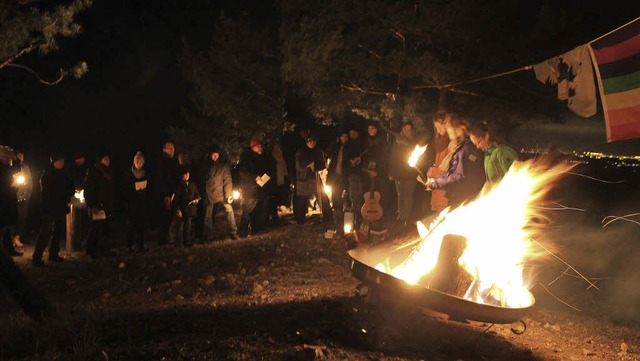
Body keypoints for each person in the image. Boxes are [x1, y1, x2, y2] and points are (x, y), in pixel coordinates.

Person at [425, 113, 486, 209]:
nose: (449, 135)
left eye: (449, 130)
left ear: (458, 129)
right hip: (459, 197)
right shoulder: (460, 148)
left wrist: (435, 183)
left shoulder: (467, 149)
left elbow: (458, 176)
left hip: (465, 199)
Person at [32, 153, 74, 266]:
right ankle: (37, 257)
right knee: (45, 232)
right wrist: (62, 194)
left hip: (60, 206)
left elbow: (70, 186)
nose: (61, 163)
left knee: (58, 232)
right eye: (59, 161)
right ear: (54, 162)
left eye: (63, 161)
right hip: (50, 208)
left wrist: (68, 194)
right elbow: (49, 192)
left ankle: (53, 254)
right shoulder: (47, 174)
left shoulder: (63, 174)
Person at [386, 121, 420, 226]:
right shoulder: (398, 141)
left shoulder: (415, 142)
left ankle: (407, 217)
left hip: (410, 173)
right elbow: (393, 157)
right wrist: (391, 172)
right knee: (400, 195)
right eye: (405, 129)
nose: (407, 132)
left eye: (409, 129)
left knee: (408, 195)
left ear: (412, 130)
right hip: (399, 173)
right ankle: (401, 216)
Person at [84, 152, 116, 258]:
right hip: (97, 204)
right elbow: (88, 190)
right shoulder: (94, 171)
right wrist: (91, 204)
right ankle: (91, 250)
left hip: (106, 204)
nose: (107, 160)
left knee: (104, 229)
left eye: (108, 159)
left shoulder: (109, 172)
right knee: (95, 228)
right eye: (104, 159)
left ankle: (102, 249)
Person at [202, 146, 238, 241]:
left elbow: (227, 181)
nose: (215, 157)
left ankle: (233, 231)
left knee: (229, 210)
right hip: (209, 193)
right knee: (208, 215)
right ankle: (208, 235)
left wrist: (228, 194)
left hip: (221, 193)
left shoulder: (223, 165)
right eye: (213, 155)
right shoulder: (205, 165)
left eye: (216, 155)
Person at [469, 120, 519, 188]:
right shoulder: (487, 155)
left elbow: (514, 177)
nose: (477, 147)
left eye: (478, 142)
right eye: (475, 145)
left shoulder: (503, 152)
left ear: (486, 136)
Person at [237, 137, 269, 238]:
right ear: (253, 147)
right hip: (250, 189)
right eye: (258, 146)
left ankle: (257, 229)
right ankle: (242, 231)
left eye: (261, 146)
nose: (260, 148)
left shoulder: (262, 157)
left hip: (260, 188)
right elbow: (243, 172)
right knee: (248, 211)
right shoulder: (247, 158)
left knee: (259, 210)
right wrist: (255, 177)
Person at [121, 151, 149, 252]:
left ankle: (140, 245)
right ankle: (129, 245)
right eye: (137, 161)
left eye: (141, 161)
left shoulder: (145, 173)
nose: (139, 163)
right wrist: (133, 191)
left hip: (142, 202)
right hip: (132, 202)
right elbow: (124, 188)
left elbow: (149, 187)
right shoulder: (128, 173)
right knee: (132, 224)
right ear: (134, 161)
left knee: (141, 224)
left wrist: (143, 191)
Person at [294, 135, 326, 224]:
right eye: (310, 142)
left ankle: (325, 216)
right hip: (304, 178)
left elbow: (322, 164)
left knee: (321, 196)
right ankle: (300, 220)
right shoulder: (301, 152)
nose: (312, 143)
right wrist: (308, 166)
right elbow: (299, 165)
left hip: (315, 178)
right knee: (302, 200)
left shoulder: (318, 151)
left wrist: (316, 167)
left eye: (313, 142)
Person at [154, 140, 181, 245]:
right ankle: (162, 240)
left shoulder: (173, 161)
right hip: (165, 195)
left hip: (173, 193)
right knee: (165, 218)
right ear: (164, 150)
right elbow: (161, 179)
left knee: (170, 218)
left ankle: (167, 239)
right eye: (170, 149)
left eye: (173, 148)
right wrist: (166, 195)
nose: (172, 150)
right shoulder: (161, 162)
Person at [425, 113, 452, 213]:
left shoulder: (451, 144)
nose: (438, 130)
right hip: (438, 186)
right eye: (436, 127)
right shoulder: (439, 143)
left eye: (440, 126)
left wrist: (434, 172)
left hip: (446, 189)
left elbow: (448, 169)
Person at [0, 146, 23, 257]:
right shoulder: (3, 169)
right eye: (9, 156)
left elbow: (17, 169)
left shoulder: (6, 168)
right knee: (3, 227)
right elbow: (4, 186)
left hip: (9, 201)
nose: (11, 159)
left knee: (8, 227)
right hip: (3, 202)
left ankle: (9, 249)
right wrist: (13, 187)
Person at [326, 130, 349, 231]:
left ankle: (343, 211)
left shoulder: (349, 147)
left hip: (343, 175)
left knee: (342, 193)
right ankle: (337, 212)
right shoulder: (336, 146)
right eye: (342, 136)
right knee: (335, 193)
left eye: (345, 136)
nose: (343, 138)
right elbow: (328, 152)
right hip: (335, 174)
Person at [172, 166, 200, 247]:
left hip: (190, 209)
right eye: (185, 174)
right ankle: (179, 243)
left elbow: (197, 194)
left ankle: (187, 241)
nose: (187, 176)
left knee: (188, 226)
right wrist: (177, 209)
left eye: (188, 174)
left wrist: (196, 200)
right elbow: (176, 199)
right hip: (182, 209)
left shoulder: (192, 184)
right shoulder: (179, 186)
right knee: (180, 227)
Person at [12, 149, 33, 247]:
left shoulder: (25, 166)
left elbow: (29, 180)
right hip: (14, 196)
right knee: (13, 218)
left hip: (25, 197)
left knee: (22, 218)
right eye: (18, 155)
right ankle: (10, 239)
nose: (20, 157)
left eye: (22, 155)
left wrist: (28, 194)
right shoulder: (11, 166)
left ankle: (17, 237)